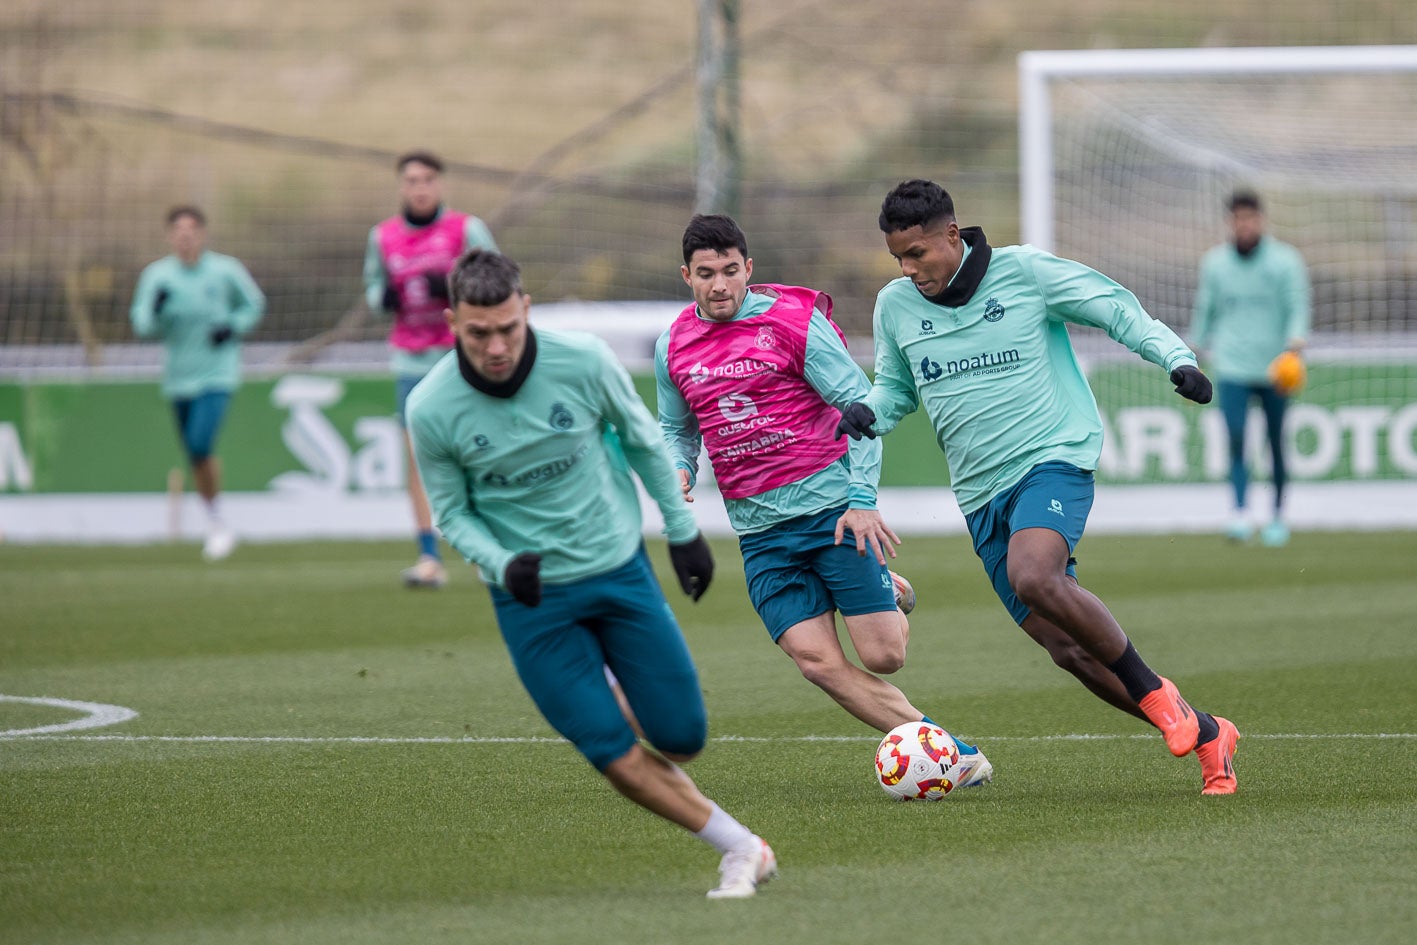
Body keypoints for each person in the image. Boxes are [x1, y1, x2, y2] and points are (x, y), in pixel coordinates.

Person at [836, 179, 1239, 795]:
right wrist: (870, 410)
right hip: (977, 494)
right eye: (898, 258)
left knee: (1035, 575)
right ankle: (1209, 731)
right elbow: (895, 390)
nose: (908, 269)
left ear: (952, 235)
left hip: (1053, 456)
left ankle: (1162, 699)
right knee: (1067, 651)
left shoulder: (1025, 273)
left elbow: (1115, 307)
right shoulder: (896, 306)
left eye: (917, 253)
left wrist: (1175, 358)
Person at [406, 248, 776, 899]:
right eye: (477, 332)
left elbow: (640, 439)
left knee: (682, 736)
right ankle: (740, 846)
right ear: (451, 322)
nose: (494, 346)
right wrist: (499, 563)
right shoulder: (432, 405)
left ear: (524, 308)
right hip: (530, 600)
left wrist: (683, 532)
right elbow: (452, 514)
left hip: (617, 570)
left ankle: (609, 672)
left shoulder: (581, 361)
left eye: (506, 328)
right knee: (610, 751)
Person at [655, 214, 992, 788]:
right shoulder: (673, 344)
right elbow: (676, 427)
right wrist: (680, 466)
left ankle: (887, 589)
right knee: (818, 664)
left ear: (749, 269)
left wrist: (861, 499)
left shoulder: (793, 323)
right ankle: (951, 752)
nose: (720, 286)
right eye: (706, 274)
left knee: (884, 656)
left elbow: (862, 410)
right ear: (687, 275)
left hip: (832, 514)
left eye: (731, 271)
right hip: (760, 533)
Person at [364, 150, 499, 588]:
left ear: (439, 185)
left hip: (461, 356)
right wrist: (382, 297)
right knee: (418, 457)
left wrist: (459, 287)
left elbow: (497, 281)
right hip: (410, 358)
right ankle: (429, 556)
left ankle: (487, 548)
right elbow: (371, 287)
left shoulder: (465, 229)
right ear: (401, 186)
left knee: (476, 449)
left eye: (426, 180)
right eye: (411, 180)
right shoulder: (382, 236)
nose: (419, 188)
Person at [130, 205, 265, 561]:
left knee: (200, 443)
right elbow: (142, 325)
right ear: (170, 236)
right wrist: (156, 311)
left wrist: (232, 326)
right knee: (193, 453)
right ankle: (216, 521)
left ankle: (217, 523)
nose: (185, 236)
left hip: (218, 374)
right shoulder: (158, 277)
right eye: (179, 230)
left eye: (192, 230)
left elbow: (254, 304)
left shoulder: (225, 270)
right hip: (178, 379)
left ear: (202, 234)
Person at [1192, 189, 1312, 547]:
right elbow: (1205, 310)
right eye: (1237, 219)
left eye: (1249, 218)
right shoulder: (1215, 263)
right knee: (1236, 435)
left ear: (1261, 220)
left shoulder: (1286, 261)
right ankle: (1241, 513)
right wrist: (1190, 357)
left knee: (1275, 440)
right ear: (1231, 222)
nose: (1243, 225)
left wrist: (1294, 347)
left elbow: (1297, 306)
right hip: (1231, 365)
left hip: (1277, 366)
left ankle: (1277, 516)